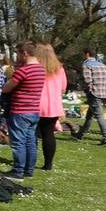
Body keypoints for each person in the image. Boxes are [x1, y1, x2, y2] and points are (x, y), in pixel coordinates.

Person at [2, 42, 44, 179]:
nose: (17, 56)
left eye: (18, 53)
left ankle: (18, 171)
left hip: (20, 110)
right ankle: (28, 170)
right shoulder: (41, 70)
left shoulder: (23, 71)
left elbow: (7, 88)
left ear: (25, 53)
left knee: (18, 141)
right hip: (34, 110)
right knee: (30, 141)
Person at [35, 42, 67, 171]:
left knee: (32, 135)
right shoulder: (59, 68)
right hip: (53, 105)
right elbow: (63, 88)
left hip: (36, 104)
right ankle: (48, 164)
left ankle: (28, 161)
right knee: (48, 134)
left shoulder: (35, 67)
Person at [72, 49, 106, 146]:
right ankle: (80, 134)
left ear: (87, 54)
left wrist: (87, 89)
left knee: (99, 116)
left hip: (94, 93)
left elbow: (87, 80)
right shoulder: (103, 65)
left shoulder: (87, 65)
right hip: (103, 92)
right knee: (90, 115)